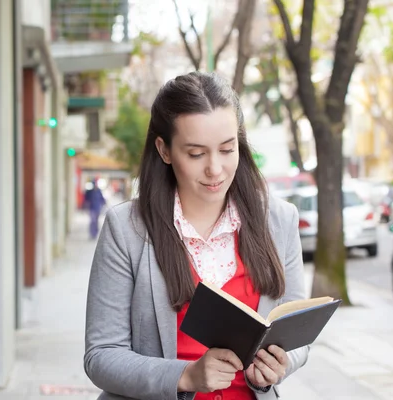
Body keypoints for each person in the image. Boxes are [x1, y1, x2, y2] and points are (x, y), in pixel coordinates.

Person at [84, 72, 307, 400]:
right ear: (164, 150)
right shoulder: (126, 229)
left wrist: (280, 365)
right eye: (196, 153)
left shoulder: (279, 220)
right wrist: (185, 376)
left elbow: (298, 333)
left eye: (227, 149)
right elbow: (101, 355)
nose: (215, 169)